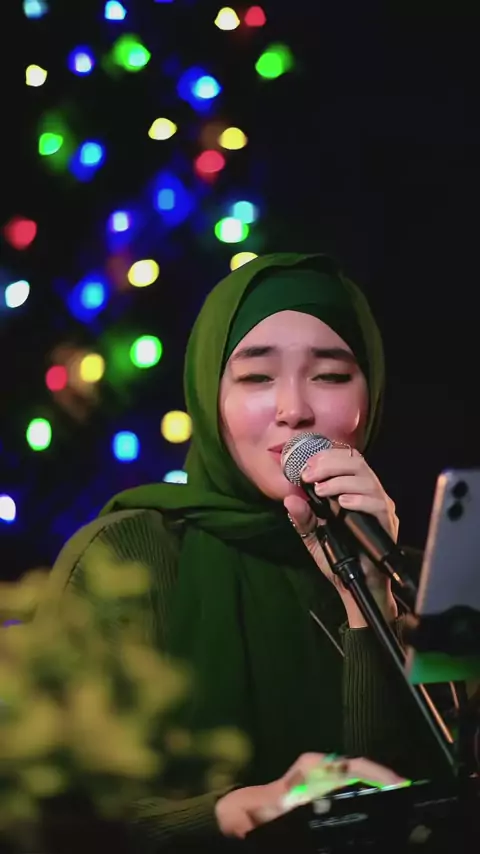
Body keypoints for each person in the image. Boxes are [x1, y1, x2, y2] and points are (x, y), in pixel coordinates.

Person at [37, 253, 452, 850]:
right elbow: (60, 816)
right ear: (210, 396)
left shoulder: (416, 579)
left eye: (330, 376)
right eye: (257, 377)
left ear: (373, 393)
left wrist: (369, 598)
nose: (294, 409)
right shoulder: (129, 554)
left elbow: (413, 808)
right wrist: (232, 812)